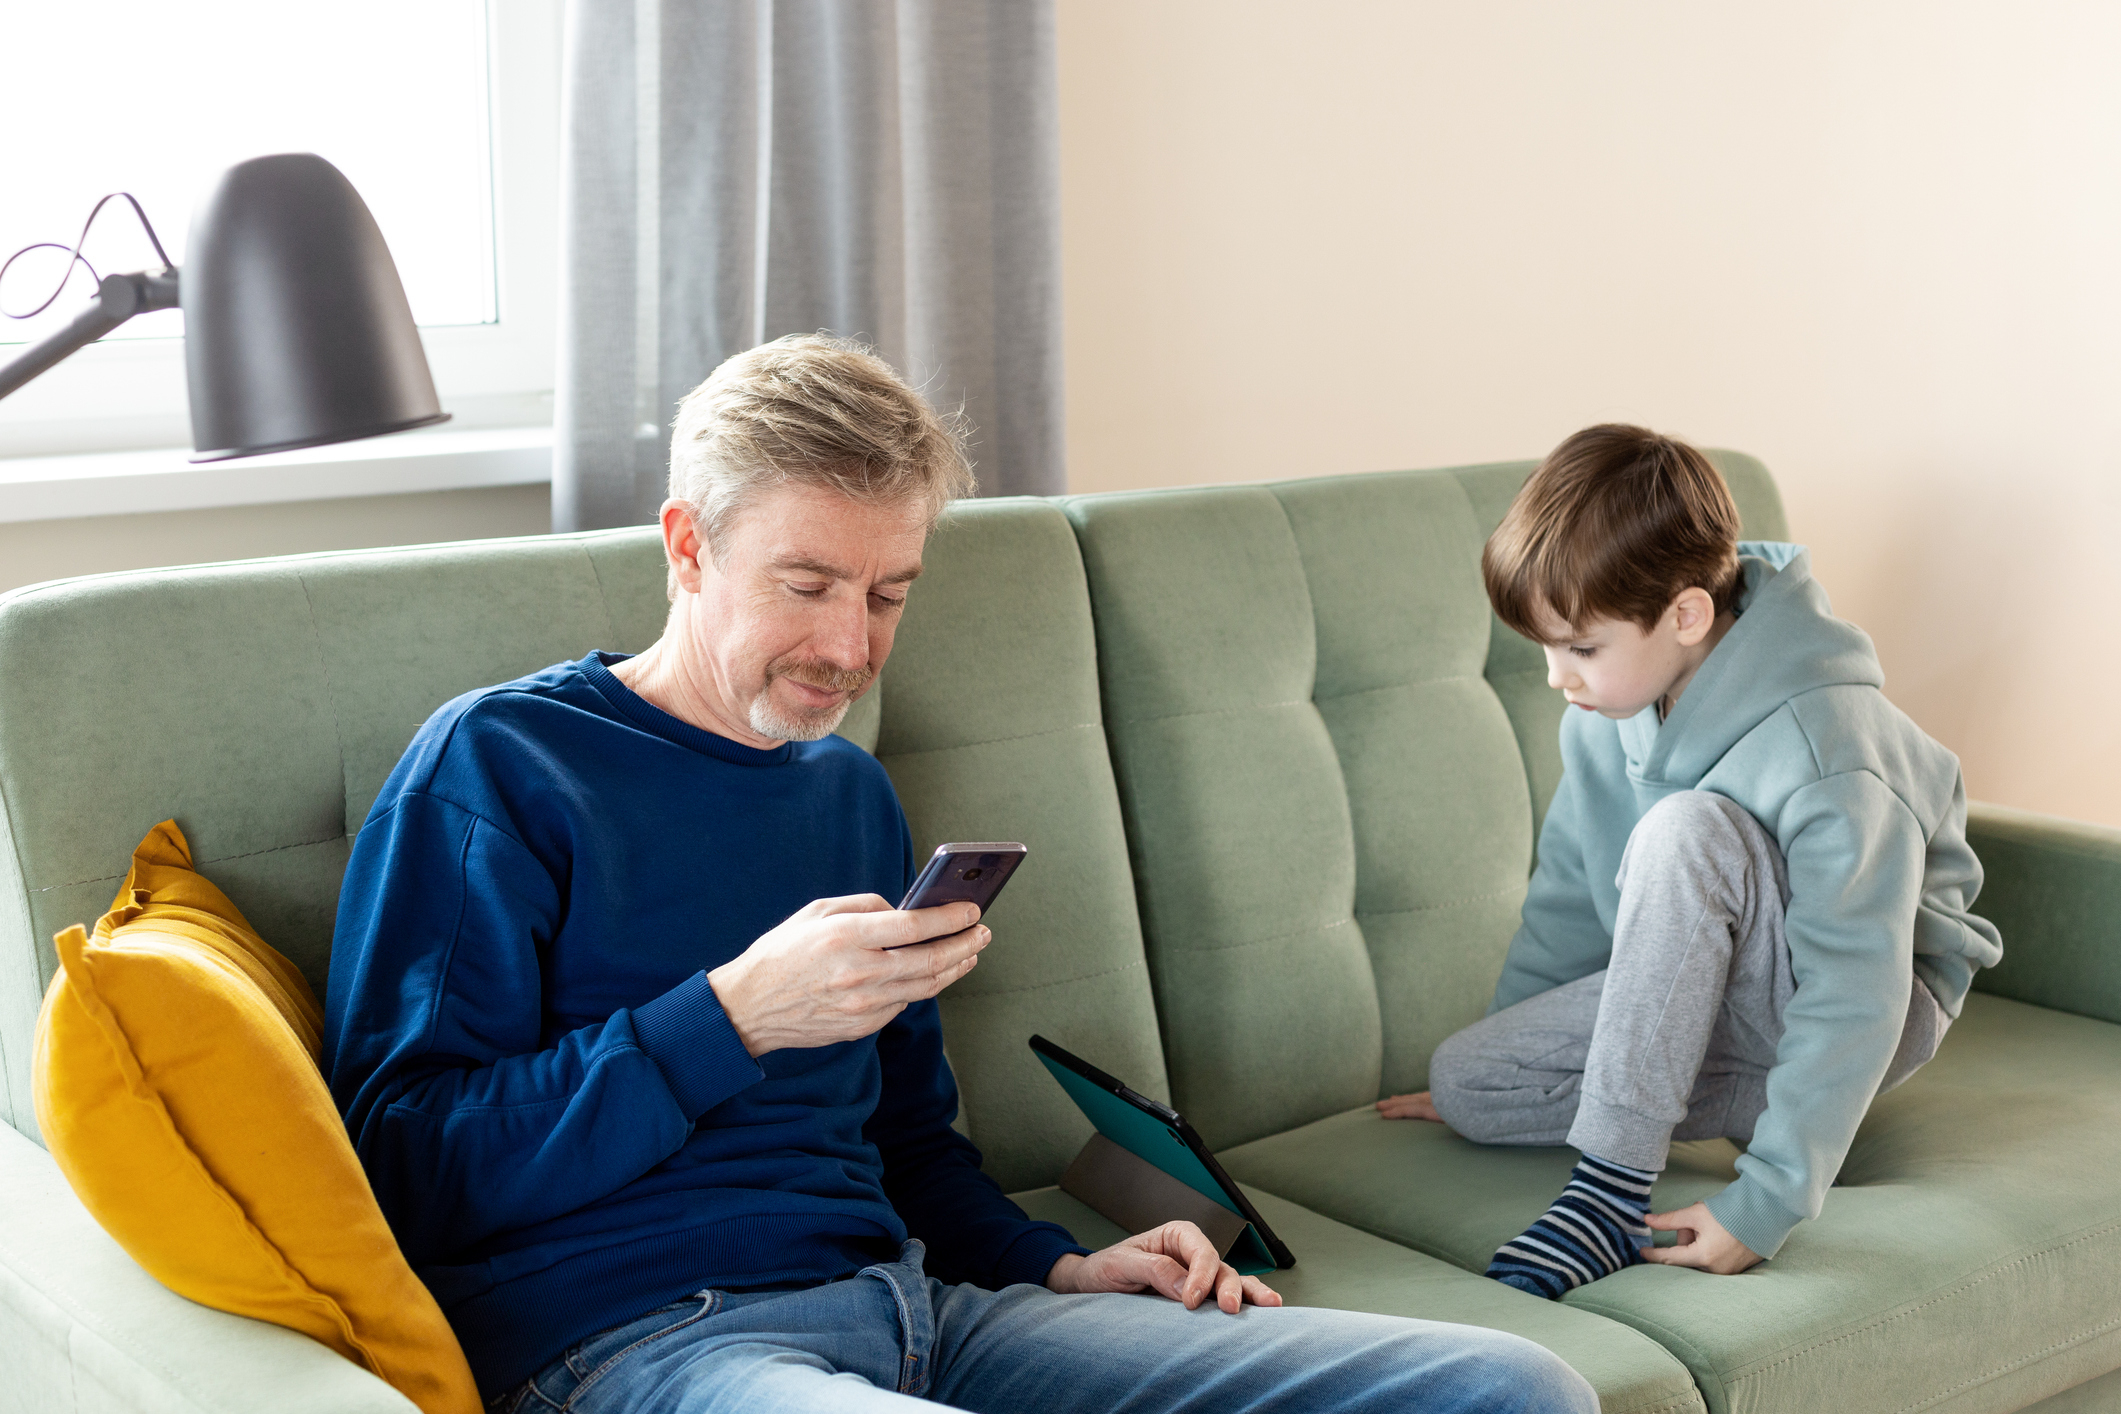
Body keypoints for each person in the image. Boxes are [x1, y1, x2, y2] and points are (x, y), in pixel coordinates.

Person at [322, 334, 1597, 1414]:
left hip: (919, 1312)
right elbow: (406, 1169)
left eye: (889, 593)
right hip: (647, 1343)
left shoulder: (845, 794)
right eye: (807, 584)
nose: (849, 646)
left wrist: (1057, 1267)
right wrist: (732, 1015)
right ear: (688, 547)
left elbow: (911, 1143)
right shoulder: (502, 765)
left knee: (1513, 1389)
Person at [1378, 424, 2002, 1300]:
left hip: (1871, 1000)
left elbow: (1855, 984)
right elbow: (1565, 900)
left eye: (1580, 648)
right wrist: (1514, 1043)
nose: (1557, 677)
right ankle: (1758, 1098)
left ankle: (1607, 1191)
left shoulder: (1827, 745)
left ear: (1685, 615)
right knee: (1468, 1084)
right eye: (1545, 648)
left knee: (1685, 830)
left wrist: (1767, 1198)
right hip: (1706, 996)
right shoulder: (1603, 716)